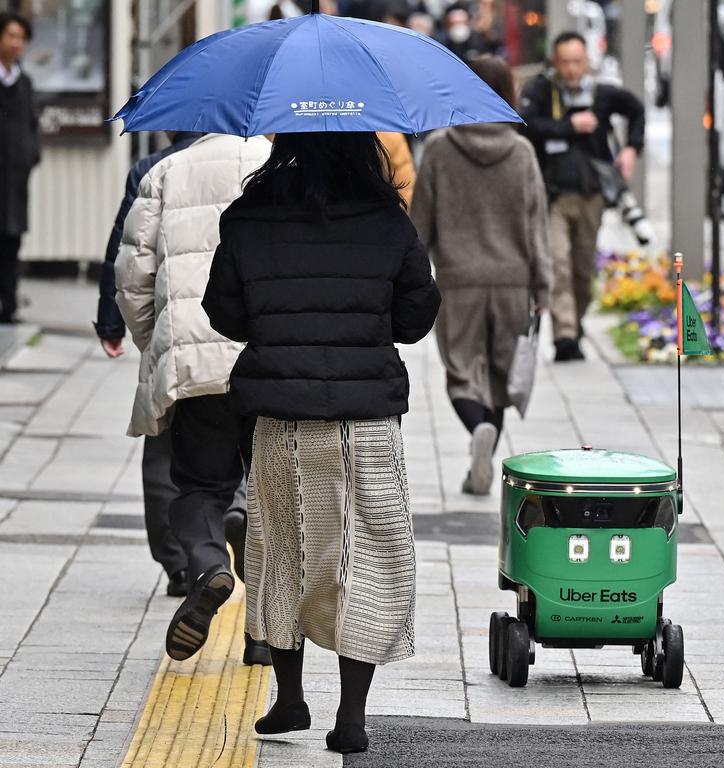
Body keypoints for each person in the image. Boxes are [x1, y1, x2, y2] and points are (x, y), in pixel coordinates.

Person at [203, 132, 440, 754]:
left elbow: (223, 312)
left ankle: (289, 699)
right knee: (361, 559)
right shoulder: (386, 218)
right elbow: (417, 318)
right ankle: (352, 717)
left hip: (280, 418)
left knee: (282, 553)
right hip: (364, 422)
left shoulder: (250, 215)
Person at [115, 133, 273, 666]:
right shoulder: (276, 164)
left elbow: (134, 279)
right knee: (271, 499)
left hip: (193, 362)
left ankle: (208, 564)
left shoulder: (165, 172)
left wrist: (157, 346)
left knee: (199, 486)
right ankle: (264, 635)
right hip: (266, 361)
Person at [411, 56, 550, 495]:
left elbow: (420, 224)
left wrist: (412, 276)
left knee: (462, 373)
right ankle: (481, 463)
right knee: (499, 378)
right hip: (513, 280)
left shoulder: (438, 148)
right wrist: (542, 284)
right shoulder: (521, 152)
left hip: (458, 280)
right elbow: (536, 225)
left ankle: (477, 436)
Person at [96, 131, 201, 598]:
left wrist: (124, 327)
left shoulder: (152, 171)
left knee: (162, 449)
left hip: (170, 328)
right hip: (238, 334)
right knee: (241, 442)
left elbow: (125, 260)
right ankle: (229, 525)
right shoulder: (260, 161)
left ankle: (178, 564)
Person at [520, 31, 644, 362]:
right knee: (557, 264)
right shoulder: (541, 91)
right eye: (565, 62)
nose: (572, 69)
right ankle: (564, 337)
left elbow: (636, 109)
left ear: (587, 61)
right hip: (554, 197)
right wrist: (568, 125)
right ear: (555, 63)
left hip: (592, 196)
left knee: (582, 270)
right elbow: (526, 125)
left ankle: (575, 323)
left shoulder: (601, 94)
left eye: (578, 61)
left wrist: (631, 149)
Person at [0, 12, 39, 324]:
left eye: (21, 38)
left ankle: (9, 305)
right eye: (10, 35)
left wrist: (30, 155)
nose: (16, 43)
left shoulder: (24, 83)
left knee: (12, 240)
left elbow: (32, 126)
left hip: (14, 178)